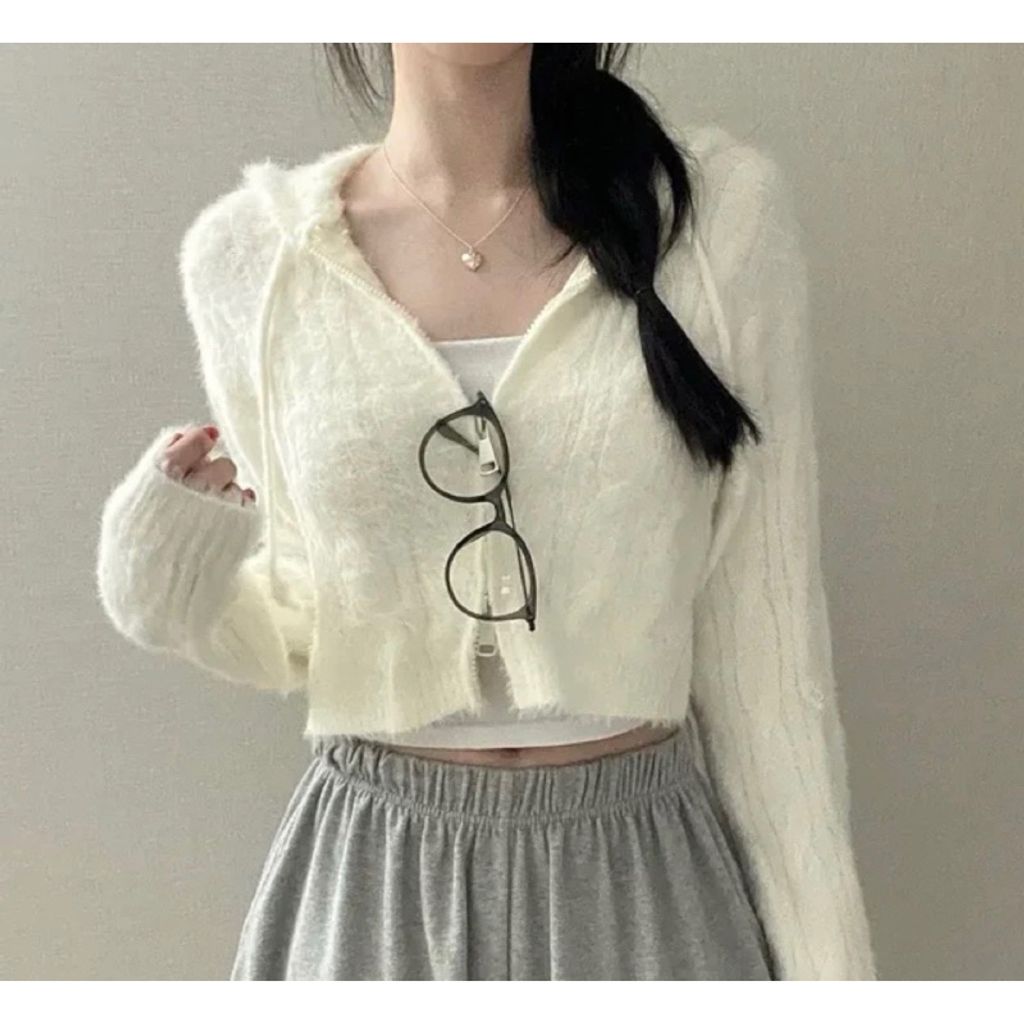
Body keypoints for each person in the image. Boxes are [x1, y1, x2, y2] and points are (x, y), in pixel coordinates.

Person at [94, 43, 878, 981]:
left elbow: (771, 665)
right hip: (376, 886)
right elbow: (299, 627)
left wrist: (832, 977)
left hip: (642, 885)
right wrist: (163, 576)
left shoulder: (712, 224)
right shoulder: (252, 259)